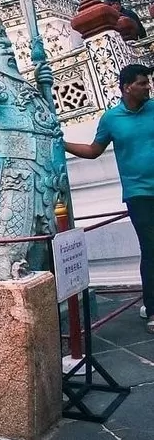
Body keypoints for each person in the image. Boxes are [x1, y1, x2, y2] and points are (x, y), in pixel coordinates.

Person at [64, 64, 154, 332]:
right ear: (127, 87)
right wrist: (62, 143)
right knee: (151, 250)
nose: (148, 86)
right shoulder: (111, 119)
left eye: (147, 82)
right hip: (138, 193)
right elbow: (94, 150)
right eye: (142, 83)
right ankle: (152, 308)